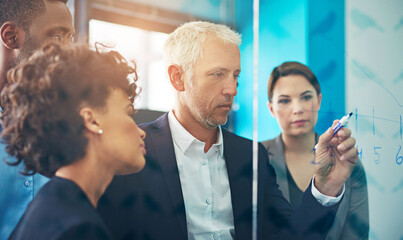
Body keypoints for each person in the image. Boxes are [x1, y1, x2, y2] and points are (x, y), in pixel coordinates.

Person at [98, 21, 359, 240]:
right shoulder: (132, 149)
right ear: (178, 77)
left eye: (235, 75)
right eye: (217, 74)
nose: (232, 89)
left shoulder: (251, 156)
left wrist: (326, 186)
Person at [0, 42, 146, 239]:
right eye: (127, 112)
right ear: (92, 120)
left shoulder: (46, 208)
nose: (141, 132)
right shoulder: (79, 229)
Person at [261, 61, 369, 239]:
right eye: (284, 100)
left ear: (318, 100)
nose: (298, 109)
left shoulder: (346, 162)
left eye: (306, 97)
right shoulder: (256, 159)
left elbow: (358, 234)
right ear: (271, 108)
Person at [0, 0, 74, 238]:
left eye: (70, 38)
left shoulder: (71, 127)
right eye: (56, 36)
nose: (69, 51)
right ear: (11, 37)